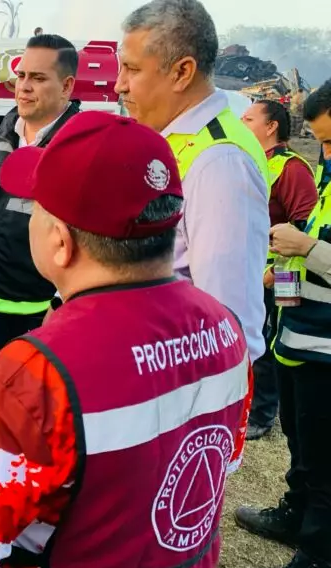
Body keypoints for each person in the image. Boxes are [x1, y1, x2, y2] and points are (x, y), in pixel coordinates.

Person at [0, 111, 253, 568]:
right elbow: (217, 468)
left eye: (34, 206)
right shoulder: (226, 329)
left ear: (60, 242)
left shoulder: (30, 378)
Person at [115, 0, 271, 365]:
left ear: (182, 72)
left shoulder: (221, 163)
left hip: (179, 389)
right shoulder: (176, 138)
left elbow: (228, 325)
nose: (118, 85)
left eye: (132, 69)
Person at [235, 79, 331, 568]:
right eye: (322, 142)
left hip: (327, 351)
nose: (326, 153)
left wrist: (307, 247)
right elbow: (297, 254)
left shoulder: (296, 170)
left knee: (325, 460)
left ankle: (318, 567)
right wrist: (283, 305)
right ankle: (295, 515)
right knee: (302, 443)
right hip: (300, 337)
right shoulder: (324, 176)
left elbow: (306, 244)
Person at [0, 34, 82, 361]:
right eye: (22, 75)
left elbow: (89, 240)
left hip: (44, 313)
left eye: (38, 78)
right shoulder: (3, 134)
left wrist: (61, 303)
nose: (24, 86)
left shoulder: (79, 148)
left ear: (67, 86)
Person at [241, 99, 318, 440]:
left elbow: (305, 227)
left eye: (249, 118)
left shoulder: (292, 168)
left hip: (285, 273)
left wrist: (276, 272)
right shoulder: (254, 162)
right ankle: (253, 403)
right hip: (253, 270)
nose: (241, 122)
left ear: (271, 126)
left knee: (278, 336)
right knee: (254, 334)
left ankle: (264, 413)